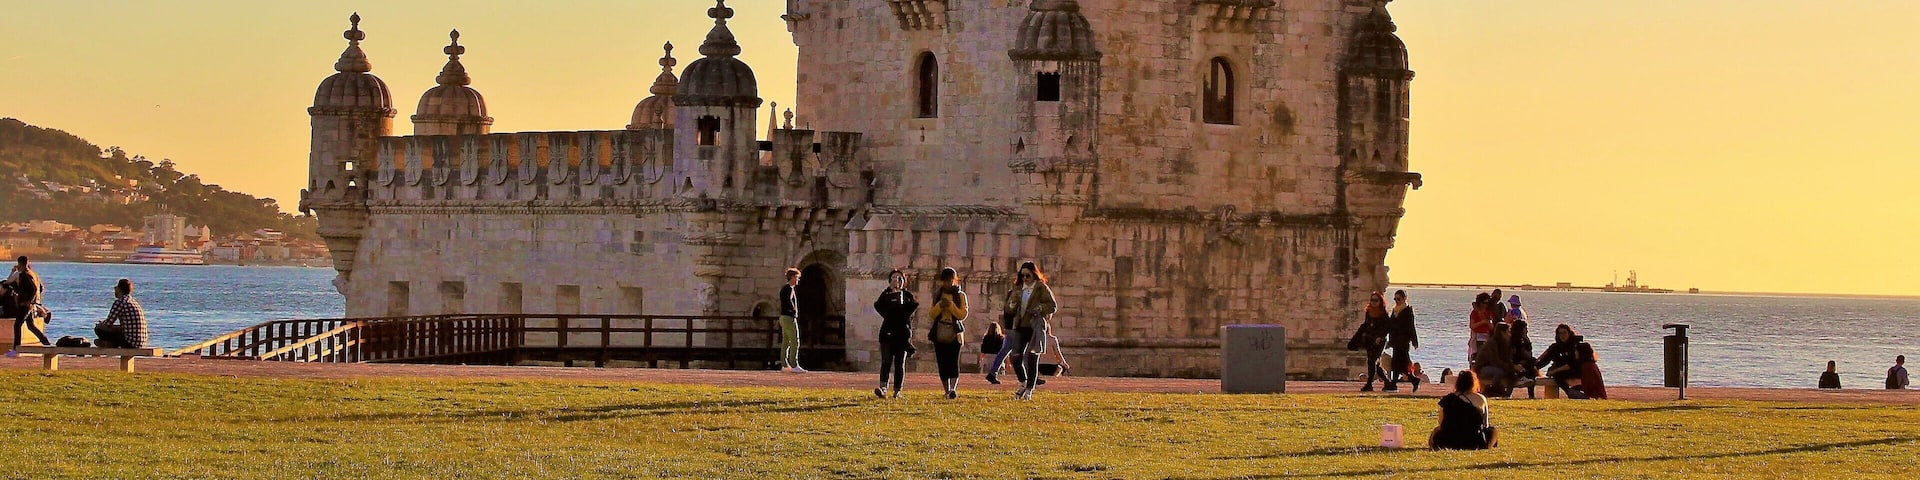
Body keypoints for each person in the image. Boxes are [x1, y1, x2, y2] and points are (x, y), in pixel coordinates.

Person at [1001, 261, 1056, 400]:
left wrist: (1040, 308)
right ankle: (1023, 382)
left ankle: (1030, 389)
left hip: (1035, 326)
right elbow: (1008, 309)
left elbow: (1052, 305)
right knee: (1015, 357)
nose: (1025, 278)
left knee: (1032, 358)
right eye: (1023, 275)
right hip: (1020, 326)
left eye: (1028, 275)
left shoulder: (1041, 287)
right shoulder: (1018, 288)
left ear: (1034, 275)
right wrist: (1012, 302)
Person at [871, 270, 918, 398]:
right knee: (886, 361)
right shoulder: (885, 295)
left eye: (899, 278)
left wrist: (899, 304)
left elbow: (909, 312)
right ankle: (883, 388)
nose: (896, 281)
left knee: (899, 363)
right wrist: (890, 294)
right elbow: (879, 307)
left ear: (904, 281)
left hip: (902, 334)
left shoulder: (908, 296)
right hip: (888, 332)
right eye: (893, 278)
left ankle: (897, 390)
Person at [1429, 370, 1498, 450]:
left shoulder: (1448, 400)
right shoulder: (1480, 399)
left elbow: (1441, 423)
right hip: (1474, 441)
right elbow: (1485, 424)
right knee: (1493, 431)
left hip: (1448, 440)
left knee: (1436, 430)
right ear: (1474, 383)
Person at [927, 268, 968, 399]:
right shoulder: (937, 295)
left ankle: (953, 390)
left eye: (951, 281)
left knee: (953, 362)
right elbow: (932, 314)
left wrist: (950, 305)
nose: (949, 284)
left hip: (955, 332)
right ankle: (946, 389)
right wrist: (940, 305)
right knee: (942, 362)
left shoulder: (960, 295)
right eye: (946, 281)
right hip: (940, 330)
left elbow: (962, 315)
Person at [4, 257, 49, 357]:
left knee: (17, 325)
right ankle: (47, 344)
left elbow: (34, 289)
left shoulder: (26, 275)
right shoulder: (31, 273)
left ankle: (15, 351)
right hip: (29, 305)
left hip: (26, 305)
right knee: (31, 326)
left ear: (21, 264)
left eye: (18, 264)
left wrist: (29, 301)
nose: (18, 266)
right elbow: (40, 287)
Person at [1348, 292, 1391, 392]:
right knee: (1375, 364)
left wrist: (1380, 336)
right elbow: (1365, 325)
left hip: (1379, 341)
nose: (1374, 302)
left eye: (1376, 300)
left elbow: (1387, 327)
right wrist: (1356, 338)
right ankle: (1388, 383)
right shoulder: (1369, 312)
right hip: (1369, 340)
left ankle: (1369, 385)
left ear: (1380, 302)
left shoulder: (1383, 314)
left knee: (1372, 361)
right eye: (1372, 300)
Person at [94, 279, 150, 349]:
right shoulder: (134, 302)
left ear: (119, 290)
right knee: (112, 329)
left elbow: (108, 324)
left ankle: (110, 344)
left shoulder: (120, 302)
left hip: (130, 342)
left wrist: (100, 325)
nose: (115, 289)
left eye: (116, 288)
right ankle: (110, 343)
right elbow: (128, 326)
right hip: (140, 343)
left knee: (99, 329)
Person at [1387, 290, 1420, 392]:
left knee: (1399, 365)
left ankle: (1395, 383)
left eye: (1398, 299)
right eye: (1395, 299)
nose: (1396, 301)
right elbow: (1391, 326)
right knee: (1398, 365)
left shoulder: (1407, 310)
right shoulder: (1394, 310)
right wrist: (1389, 341)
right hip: (1395, 341)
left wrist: (1414, 340)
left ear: (1404, 299)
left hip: (1403, 342)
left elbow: (1411, 326)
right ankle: (1412, 380)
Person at [1535, 324, 1585, 391]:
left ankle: (1571, 392)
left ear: (1569, 333)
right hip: (1560, 370)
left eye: (1564, 333)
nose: (1562, 336)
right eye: (1560, 333)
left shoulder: (1575, 346)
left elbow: (1571, 364)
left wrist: (1554, 371)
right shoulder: (1555, 347)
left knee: (1557, 375)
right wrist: (1535, 367)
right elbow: (1545, 360)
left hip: (1575, 370)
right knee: (1554, 374)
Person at [777, 268, 807, 373]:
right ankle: (794, 364)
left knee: (786, 341)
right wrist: (794, 311)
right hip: (789, 317)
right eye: (797, 277)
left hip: (783, 317)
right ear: (792, 277)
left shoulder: (785, 288)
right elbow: (788, 301)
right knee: (795, 340)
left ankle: (785, 364)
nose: (798, 280)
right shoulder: (789, 288)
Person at [1474, 322, 1515, 397]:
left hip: (1494, 366)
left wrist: (1514, 366)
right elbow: (1495, 362)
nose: (1510, 334)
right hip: (1482, 368)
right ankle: (1493, 390)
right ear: (1502, 333)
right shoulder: (1492, 343)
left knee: (1512, 372)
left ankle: (1507, 395)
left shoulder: (1505, 343)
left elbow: (1506, 359)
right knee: (1499, 372)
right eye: (1508, 332)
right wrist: (1510, 367)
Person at [1509, 320, 1538, 398]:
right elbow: (1514, 355)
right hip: (1515, 363)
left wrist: (1527, 340)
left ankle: (1531, 395)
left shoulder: (1524, 340)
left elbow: (1529, 353)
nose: (1527, 330)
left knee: (1532, 368)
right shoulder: (1513, 340)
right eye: (1525, 329)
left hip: (1524, 363)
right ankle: (1508, 393)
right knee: (1531, 364)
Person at [1467, 293, 1492, 365]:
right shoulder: (1474, 313)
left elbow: (1492, 327)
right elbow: (1472, 326)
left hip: (1486, 337)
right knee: (1476, 355)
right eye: (1484, 303)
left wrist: (1487, 323)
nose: (1485, 305)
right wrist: (1482, 322)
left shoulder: (1488, 313)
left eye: (1487, 303)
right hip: (1477, 337)